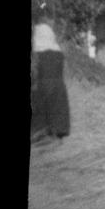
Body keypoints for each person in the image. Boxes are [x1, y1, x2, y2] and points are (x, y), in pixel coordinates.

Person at [31, 12, 70, 145]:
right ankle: (57, 139)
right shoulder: (58, 52)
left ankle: (41, 141)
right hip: (58, 90)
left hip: (40, 89)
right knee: (57, 119)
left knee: (40, 122)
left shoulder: (36, 52)